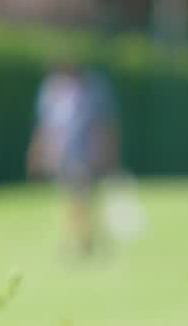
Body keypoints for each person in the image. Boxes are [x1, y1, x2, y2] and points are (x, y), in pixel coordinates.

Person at [27, 61, 119, 256]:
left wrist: (105, 151)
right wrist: (38, 151)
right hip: (62, 154)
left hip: (85, 152)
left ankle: (84, 239)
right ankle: (83, 238)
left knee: (81, 194)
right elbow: (45, 125)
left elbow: (104, 123)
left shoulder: (94, 87)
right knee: (72, 197)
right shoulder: (51, 89)